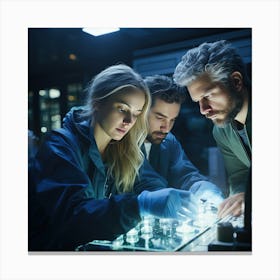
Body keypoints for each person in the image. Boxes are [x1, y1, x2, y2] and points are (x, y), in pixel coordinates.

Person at [28, 64, 198, 251]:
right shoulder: (59, 146)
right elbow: (74, 217)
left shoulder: (122, 149)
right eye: (122, 108)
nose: (129, 121)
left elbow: (148, 183)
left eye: (136, 114)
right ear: (97, 102)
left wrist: (178, 198)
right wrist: (140, 205)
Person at [173, 40, 251, 218]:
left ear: (236, 81)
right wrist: (238, 198)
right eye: (198, 101)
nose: (203, 110)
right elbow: (239, 175)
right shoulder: (221, 130)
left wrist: (252, 197)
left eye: (208, 95)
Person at [143, 75, 224, 207]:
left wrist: (201, 187)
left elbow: (185, 174)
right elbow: (146, 183)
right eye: (160, 118)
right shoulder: (122, 143)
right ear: (141, 110)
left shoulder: (168, 141)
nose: (166, 128)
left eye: (172, 120)